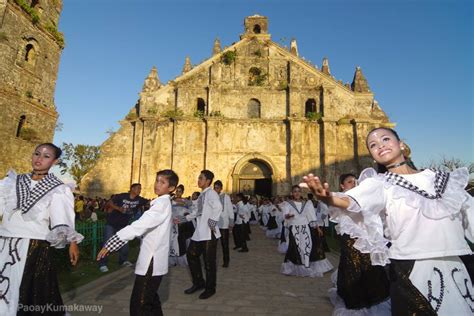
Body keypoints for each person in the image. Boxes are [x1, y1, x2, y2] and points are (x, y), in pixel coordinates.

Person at [303, 127, 474, 315]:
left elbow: (470, 214)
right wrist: (327, 197)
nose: (380, 146)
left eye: (385, 139)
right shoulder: (380, 184)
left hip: (458, 263)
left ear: (401, 145)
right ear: (373, 157)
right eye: (373, 145)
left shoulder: (444, 179)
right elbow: (352, 201)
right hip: (412, 268)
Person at [0, 143, 83, 315]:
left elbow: (64, 218)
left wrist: (72, 242)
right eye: (37, 154)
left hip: (35, 247)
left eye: (46, 156)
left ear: (54, 161)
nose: (39, 159)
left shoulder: (58, 189)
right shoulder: (12, 182)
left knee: (31, 294)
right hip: (4, 243)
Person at [97, 169, 178, 316]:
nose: (157, 184)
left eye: (162, 182)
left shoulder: (161, 205)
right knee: (151, 300)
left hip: (151, 261)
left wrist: (113, 242)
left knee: (139, 306)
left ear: (171, 188)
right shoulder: (161, 203)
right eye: (157, 180)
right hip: (151, 258)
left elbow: (140, 225)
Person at [328, 173, 390, 315]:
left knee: (372, 270)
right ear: (342, 185)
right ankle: (355, 302)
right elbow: (336, 202)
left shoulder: (365, 196)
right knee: (353, 269)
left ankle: (373, 299)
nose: (354, 183)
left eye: (355, 181)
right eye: (349, 182)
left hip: (368, 240)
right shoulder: (340, 196)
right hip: (351, 240)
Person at [181, 170, 222, 299]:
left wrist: (212, 222)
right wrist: (183, 219)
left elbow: (218, 207)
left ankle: (210, 288)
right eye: (198, 178)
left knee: (209, 262)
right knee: (191, 255)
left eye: (201, 178)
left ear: (208, 181)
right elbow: (197, 212)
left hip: (209, 233)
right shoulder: (202, 195)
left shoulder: (211, 193)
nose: (198, 180)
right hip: (200, 232)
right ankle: (199, 282)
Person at [280, 185, 333, 277]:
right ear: (292, 193)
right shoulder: (288, 204)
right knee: (296, 247)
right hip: (294, 228)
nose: (297, 193)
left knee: (306, 247)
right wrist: (288, 216)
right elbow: (285, 215)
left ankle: (306, 265)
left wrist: (317, 227)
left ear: (301, 193)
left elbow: (312, 216)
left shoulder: (307, 203)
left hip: (305, 228)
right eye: (295, 191)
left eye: (298, 191)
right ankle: (297, 267)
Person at [99, 183, 149, 272]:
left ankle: (123, 261)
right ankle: (103, 264)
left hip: (123, 225)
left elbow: (149, 202)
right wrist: (118, 208)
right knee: (107, 243)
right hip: (111, 223)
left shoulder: (139, 200)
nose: (139, 190)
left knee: (125, 244)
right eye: (138, 188)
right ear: (132, 189)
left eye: (140, 189)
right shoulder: (122, 196)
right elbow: (109, 202)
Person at [169, 184, 193, 266]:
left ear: (182, 192)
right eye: (177, 191)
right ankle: (172, 259)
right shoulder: (171, 199)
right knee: (172, 240)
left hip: (182, 224)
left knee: (181, 241)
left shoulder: (186, 201)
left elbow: (191, 209)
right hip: (172, 223)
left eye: (180, 191)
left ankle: (182, 259)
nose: (178, 193)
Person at [214, 180, 234, 268]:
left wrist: (231, 222)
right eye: (214, 188)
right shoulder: (212, 197)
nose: (215, 189)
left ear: (221, 188)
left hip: (224, 224)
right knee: (213, 244)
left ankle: (226, 261)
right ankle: (212, 261)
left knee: (224, 244)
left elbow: (230, 209)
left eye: (217, 188)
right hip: (214, 224)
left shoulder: (226, 197)